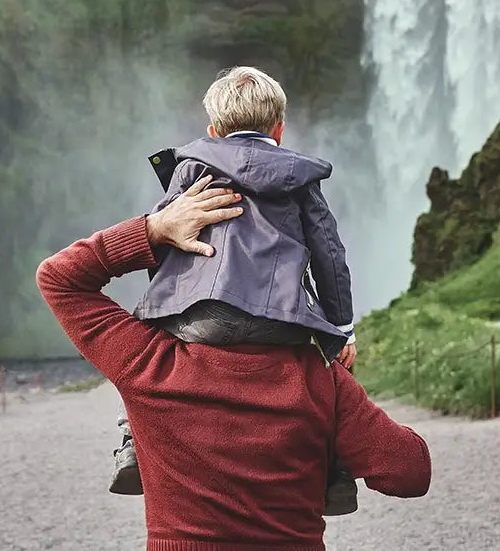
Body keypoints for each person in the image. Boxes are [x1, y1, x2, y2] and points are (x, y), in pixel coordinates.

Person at [36, 176, 431, 550]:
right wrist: (342, 403)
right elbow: (411, 472)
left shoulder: (148, 363)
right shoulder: (320, 380)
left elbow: (59, 279)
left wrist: (154, 229)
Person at [110, 66, 361, 515]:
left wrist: (167, 304)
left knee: (140, 358)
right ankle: (335, 471)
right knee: (333, 372)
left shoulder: (190, 169)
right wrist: (342, 327)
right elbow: (329, 253)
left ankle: (132, 445)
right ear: (279, 129)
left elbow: (165, 236)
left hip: (199, 318)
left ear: (212, 131)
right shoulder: (301, 179)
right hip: (281, 320)